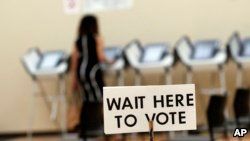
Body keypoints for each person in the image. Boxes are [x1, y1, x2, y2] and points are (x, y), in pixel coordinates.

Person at [70, 15, 109, 139]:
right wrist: (112, 61)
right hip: (93, 72)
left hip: (82, 74)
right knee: (103, 99)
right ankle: (108, 129)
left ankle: (84, 131)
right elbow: (101, 56)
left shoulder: (78, 40)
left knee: (87, 101)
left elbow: (74, 61)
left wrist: (74, 80)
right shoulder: (97, 38)